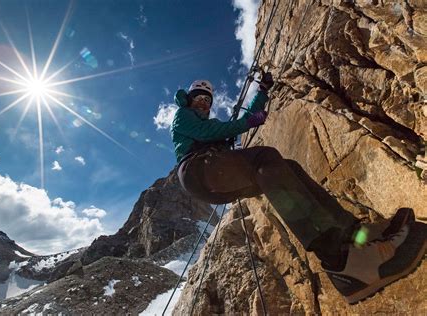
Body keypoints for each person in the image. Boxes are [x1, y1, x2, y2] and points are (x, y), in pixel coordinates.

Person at [170, 75, 424, 304]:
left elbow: (235, 124)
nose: (204, 103)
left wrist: (262, 93)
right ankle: (337, 257)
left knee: (284, 168)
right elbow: (219, 129)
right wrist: (248, 122)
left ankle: (354, 233)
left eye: (207, 99)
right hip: (197, 170)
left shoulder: (202, 122)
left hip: (213, 175)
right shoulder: (183, 116)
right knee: (265, 157)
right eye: (199, 98)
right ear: (190, 99)